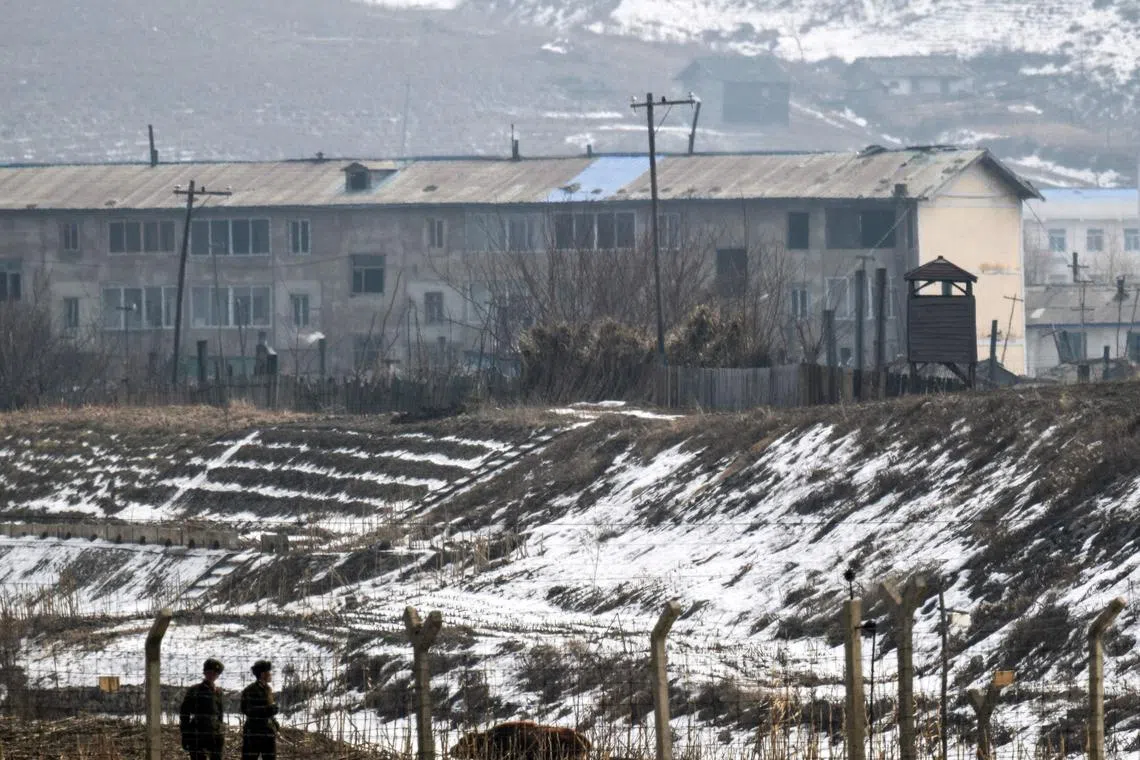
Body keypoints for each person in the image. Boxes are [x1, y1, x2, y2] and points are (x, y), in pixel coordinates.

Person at [179, 658, 225, 760]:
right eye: (209, 672)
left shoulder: (218, 692)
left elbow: (220, 713)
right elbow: (184, 713)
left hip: (215, 732)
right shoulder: (195, 690)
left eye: (215, 673)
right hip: (197, 732)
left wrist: (220, 729)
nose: (212, 675)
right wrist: (186, 734)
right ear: (204, 673)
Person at [241, 660, 280, 760]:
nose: (270, 674)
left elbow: (268, 709)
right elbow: (246, 709)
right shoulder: (250, 690)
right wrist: (268, 710)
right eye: (268, 672)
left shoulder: (268, 689)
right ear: (263, 674)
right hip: (254, 732)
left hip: (268, 731)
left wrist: (274, 723)